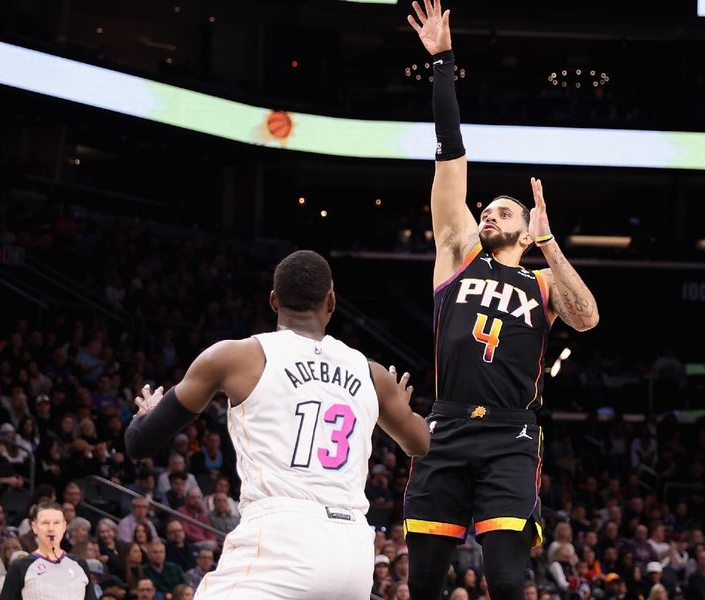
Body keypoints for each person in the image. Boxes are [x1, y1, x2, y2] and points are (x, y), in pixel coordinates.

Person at [404, 3, 599, 599]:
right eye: (487, 209)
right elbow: (450, 158)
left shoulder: (541, 282)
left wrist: (548, 241)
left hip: (512, 435)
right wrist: (442, 63)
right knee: (426, 581)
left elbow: (587, 317)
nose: (489, 212)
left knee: (508, 580)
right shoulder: (459, 252)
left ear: (524, 227)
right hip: (446, 425)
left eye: (503, 211)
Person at [125, 250, 430, 599]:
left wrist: (146, 412)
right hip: (354, 550)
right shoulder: (372, 373)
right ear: (331, 301)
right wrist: (399, 406)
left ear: (273, 300)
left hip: (283, 534)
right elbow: (420, 444)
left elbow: (139, 443)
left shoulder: (237, 357)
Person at [0, 501, 96, 600]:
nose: (51, 528)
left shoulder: (80, 565)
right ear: (35, 527)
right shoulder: (19, 567)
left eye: (56, 523)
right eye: (45, 523)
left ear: (64, 527)